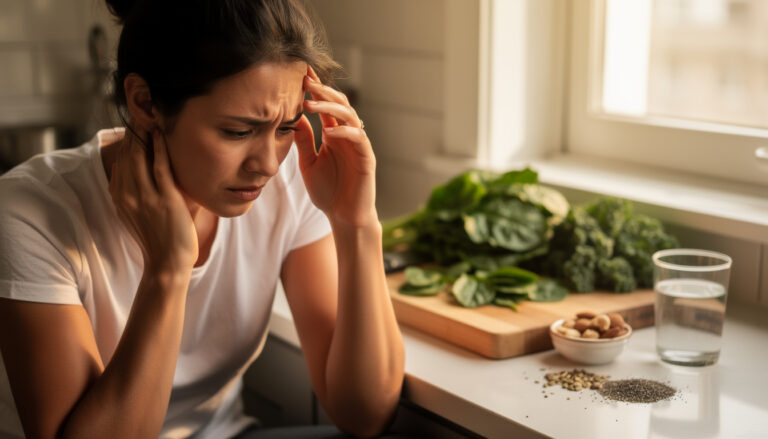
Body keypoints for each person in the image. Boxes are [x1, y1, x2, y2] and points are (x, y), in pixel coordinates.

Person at [0, 1, 406, 438]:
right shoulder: (29, 213)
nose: (268, 164)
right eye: (238, 131)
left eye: (286, 128)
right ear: (145, 102)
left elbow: (365, 415)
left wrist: (356, 223)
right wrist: (168, 269)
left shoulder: (293, 180)